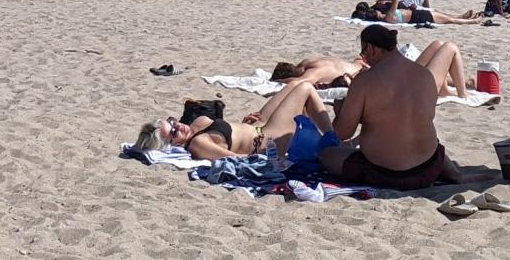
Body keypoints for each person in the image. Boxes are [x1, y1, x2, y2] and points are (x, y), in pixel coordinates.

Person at [319, 25, 460, 189]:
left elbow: (343, 133)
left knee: (326, 155)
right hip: (429, 169)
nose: (364, 58)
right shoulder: (425, 75)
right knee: (434, 146)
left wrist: (340, 112)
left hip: (384, 174)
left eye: (363, 53)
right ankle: (456, 175)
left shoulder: (365, 81)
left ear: (371, 48)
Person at [134, 79, 333, 160]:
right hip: (265, 139)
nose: (179, 126)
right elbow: (236, 158)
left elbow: (227, 134)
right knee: (305, 88)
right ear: (171, 144)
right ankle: (334, 140)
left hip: (257, 126)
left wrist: (243, 123)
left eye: (173, 122)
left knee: (294, 84)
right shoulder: (198, 144)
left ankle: (324, 136)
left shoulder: (197, 125)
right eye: (174, 132)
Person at [352, 0, 484, 26]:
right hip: (419, 16)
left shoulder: (386, 19)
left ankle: (462, 17)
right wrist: (385, 0)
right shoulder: (388, 16)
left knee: (447, 18)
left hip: (417, 17)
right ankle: (472, 21)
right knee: (450, 20)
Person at [270, 55, 367, 86]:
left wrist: (280, 81)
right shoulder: (307, 61)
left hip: (361, 73)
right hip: (359, 63)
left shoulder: (313, 71)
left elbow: (299, 82)